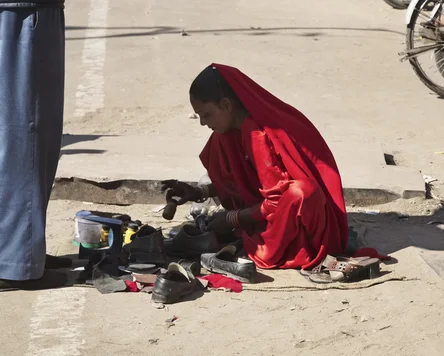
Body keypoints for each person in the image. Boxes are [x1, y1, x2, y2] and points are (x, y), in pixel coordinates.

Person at [162, 64, 385, 270]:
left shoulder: (256, 134)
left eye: (206, 114)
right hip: (269, 212)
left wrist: (231, 218)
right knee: (220, 143)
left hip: (301, 222)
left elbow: (277, 202)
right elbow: (242, 181)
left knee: (301, 192)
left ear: (227, 105)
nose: (203, 123)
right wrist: (198, 192)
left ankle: (276, 247)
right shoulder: (229, 133)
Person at [0, 0, 70, 291]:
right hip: (23, 10)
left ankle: (21, 252)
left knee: (8, 136)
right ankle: (15, 265)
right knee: (26, 137)